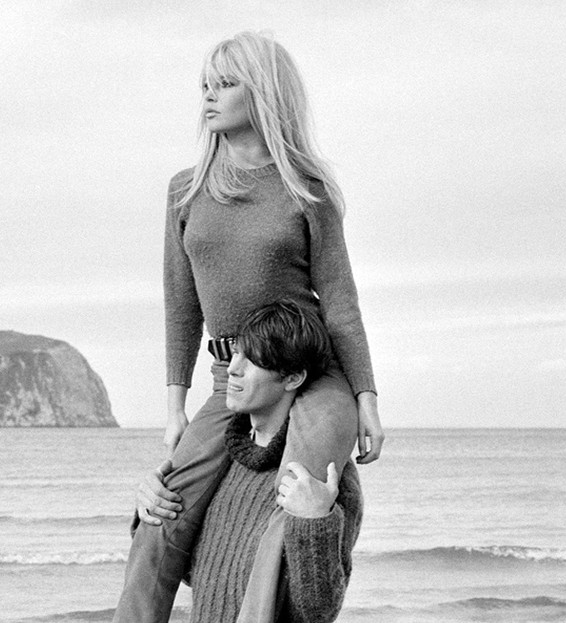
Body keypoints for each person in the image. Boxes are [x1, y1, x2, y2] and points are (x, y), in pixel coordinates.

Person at [113, 31, 382, 622]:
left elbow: (340, 303)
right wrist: (174, 407)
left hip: (312, 375)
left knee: (292, 508)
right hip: (230, 378)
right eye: (205, 85)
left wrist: (365, 399)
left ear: (261, 92)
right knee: (160, 515)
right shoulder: (185, 190)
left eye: (225, 83)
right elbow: (180, 304)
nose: (208, 96)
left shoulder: (306, 189)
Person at [138, 300, 362, 623]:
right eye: (235, 353)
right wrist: (152, 504)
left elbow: (318, 612)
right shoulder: (215, 462)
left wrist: (314, 521)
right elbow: (196, 574)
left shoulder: (323, 478)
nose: (232, 368)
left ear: (292, 378)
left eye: (253, 360)